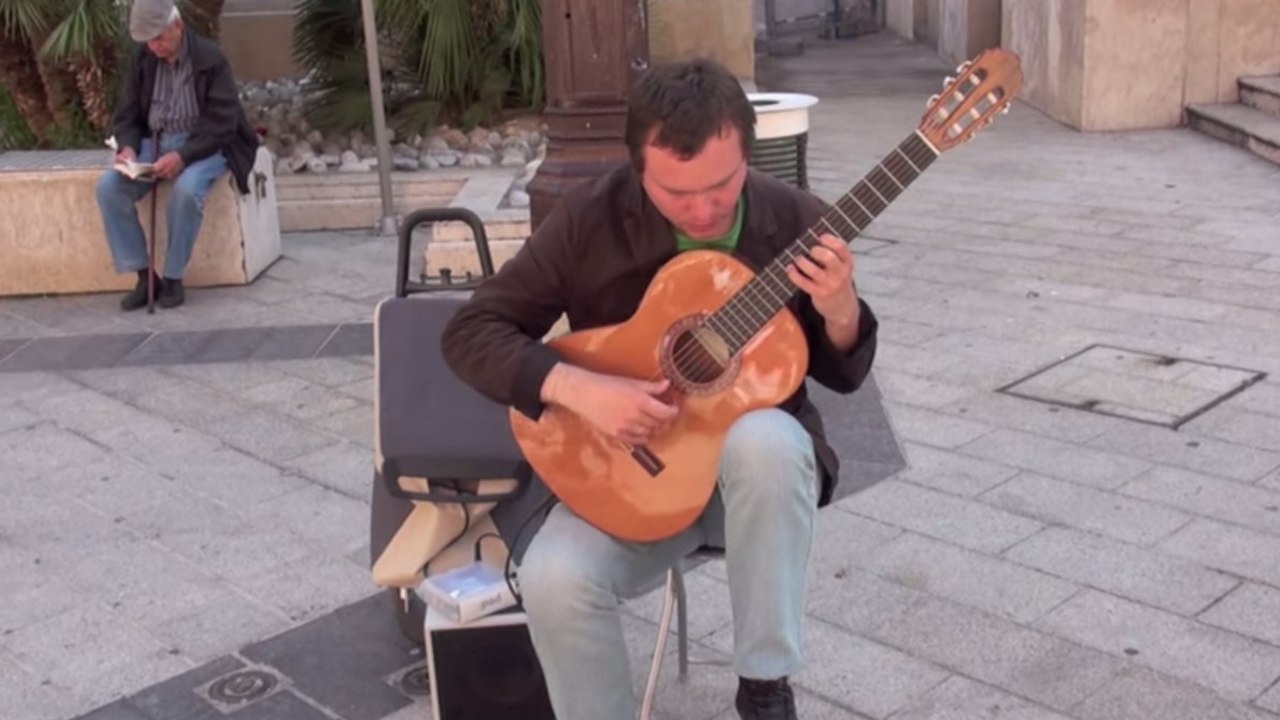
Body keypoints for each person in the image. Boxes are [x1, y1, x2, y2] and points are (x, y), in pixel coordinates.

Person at [441, 58, 878, 720]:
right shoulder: (590, 220)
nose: (703, 208)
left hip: (755, 495)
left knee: (765, 440)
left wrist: (841, 308)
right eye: (676, 194)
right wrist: (581, 390)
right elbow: (470, 332)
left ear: (747, 156)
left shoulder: (796, 221)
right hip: (634, 477)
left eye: (722, 185)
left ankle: (764, 688)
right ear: (637, 169)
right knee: (552, 578)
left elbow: (844, 375)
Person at [96, 0, 259, 310]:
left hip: (205, 143)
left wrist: (183, 156)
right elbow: (127, 114)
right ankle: (145, 277)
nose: (154, 46)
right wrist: (128, 147)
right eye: (148, 40)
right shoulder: (143, 58)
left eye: (159, 38)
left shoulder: (210, 58)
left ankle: (172, 278)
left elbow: (221, 123)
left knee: (186, 191)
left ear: (178, 26)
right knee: (108, 188)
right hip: (155, 141)